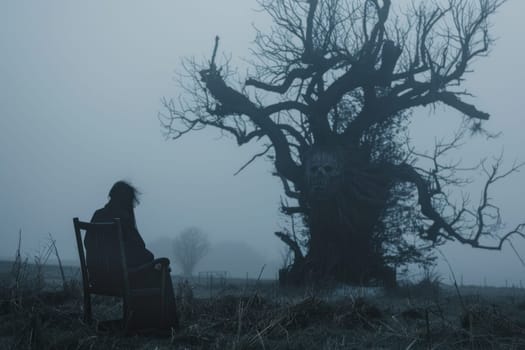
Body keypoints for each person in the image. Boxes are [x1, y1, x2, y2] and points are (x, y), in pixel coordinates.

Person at [84, 180, 179, 331]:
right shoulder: (123, 218)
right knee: (161, 271)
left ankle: (138, 321)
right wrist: (153, 260)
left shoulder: (97, 215)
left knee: (146, 270)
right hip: (118, 279)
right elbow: (140, 251)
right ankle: (164, 326)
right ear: (127, 200)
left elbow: (87, 243)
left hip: (97, 278)